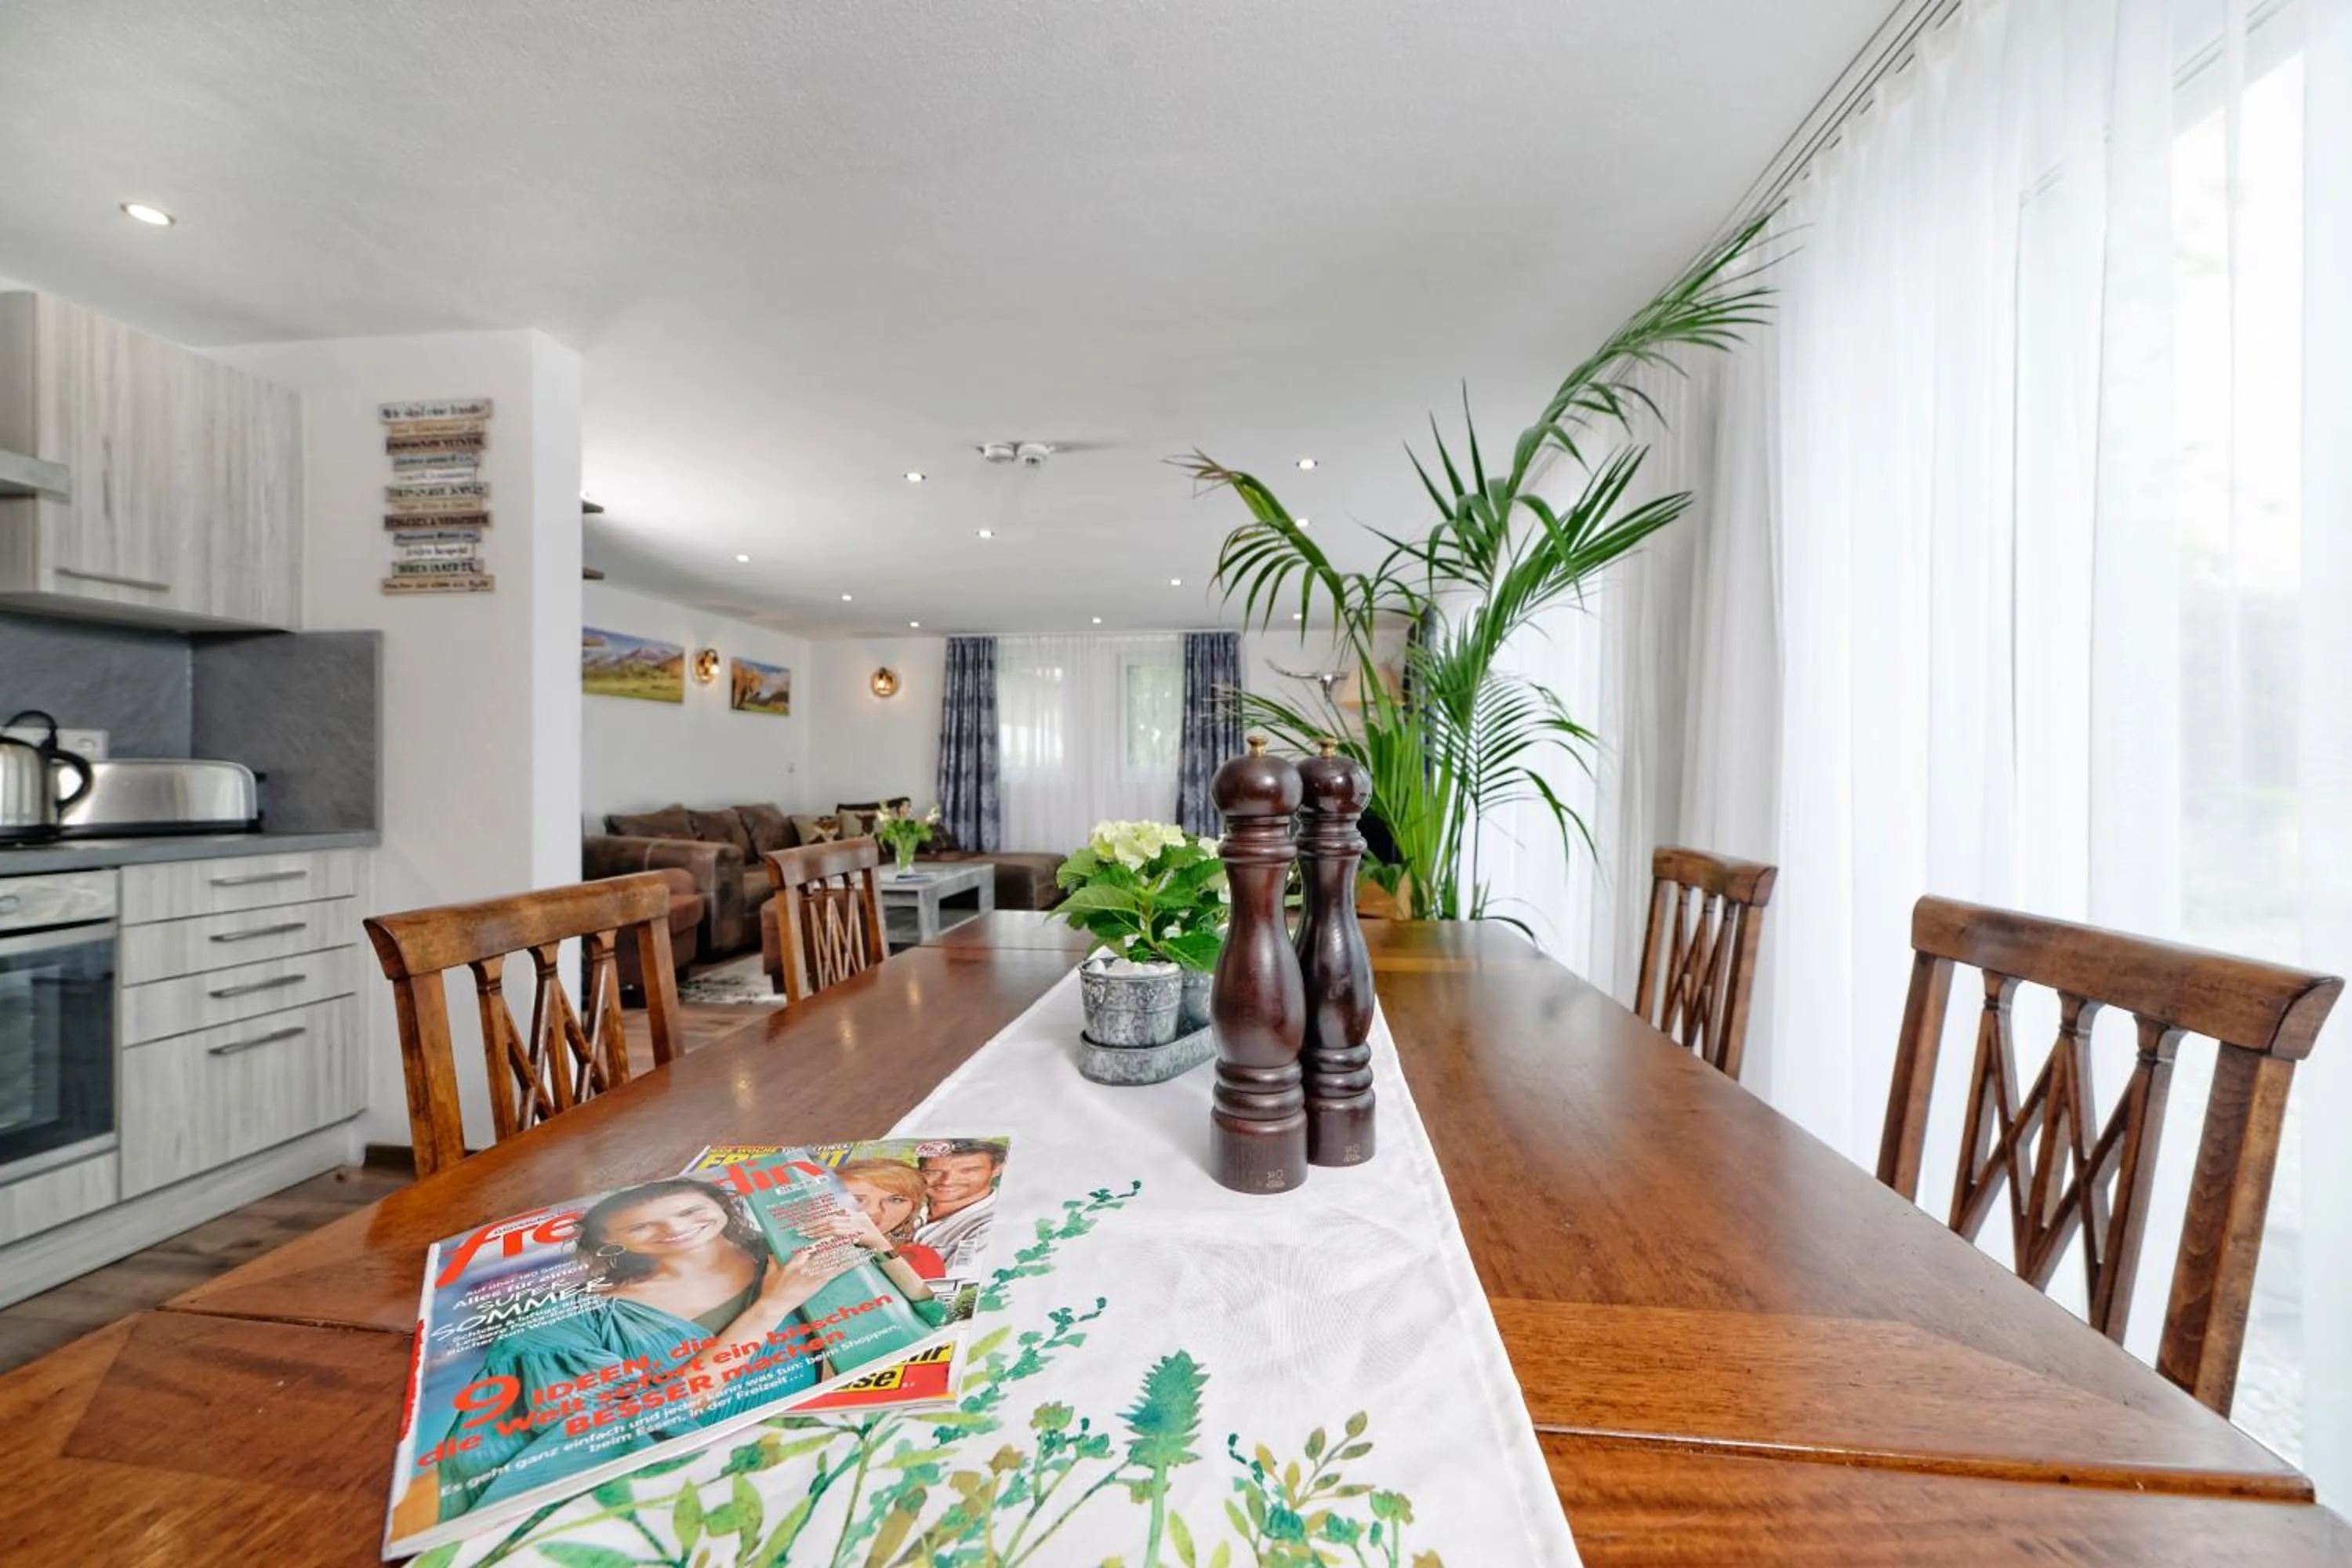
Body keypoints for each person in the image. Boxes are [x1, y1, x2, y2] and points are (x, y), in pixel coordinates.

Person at [392, 1175, 903, 1538]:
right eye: (642, 1226)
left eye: (688, 1210)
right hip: (690, 1502)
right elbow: (629, 1428)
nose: (674, 1228)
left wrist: (885, 1251)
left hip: (838, 1451)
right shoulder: (579, 1324)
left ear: (722, 1205)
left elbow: (906, 1327)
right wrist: (771, 1308)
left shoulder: (791, 1255)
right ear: (609, 1242)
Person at [837, 1158, 946, 1279]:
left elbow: (923, 1298)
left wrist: (879, 1245)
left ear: (913, 1208)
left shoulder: (919, 1258)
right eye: (856, 1199)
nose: (873, 1211)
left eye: (896, 1200)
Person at [914, 1138, 1005, 1280]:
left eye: (967, 1171)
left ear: (997, 1170)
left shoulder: (996, 1225)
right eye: (933, 1172)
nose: (947, 1181)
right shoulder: (899, 1205)